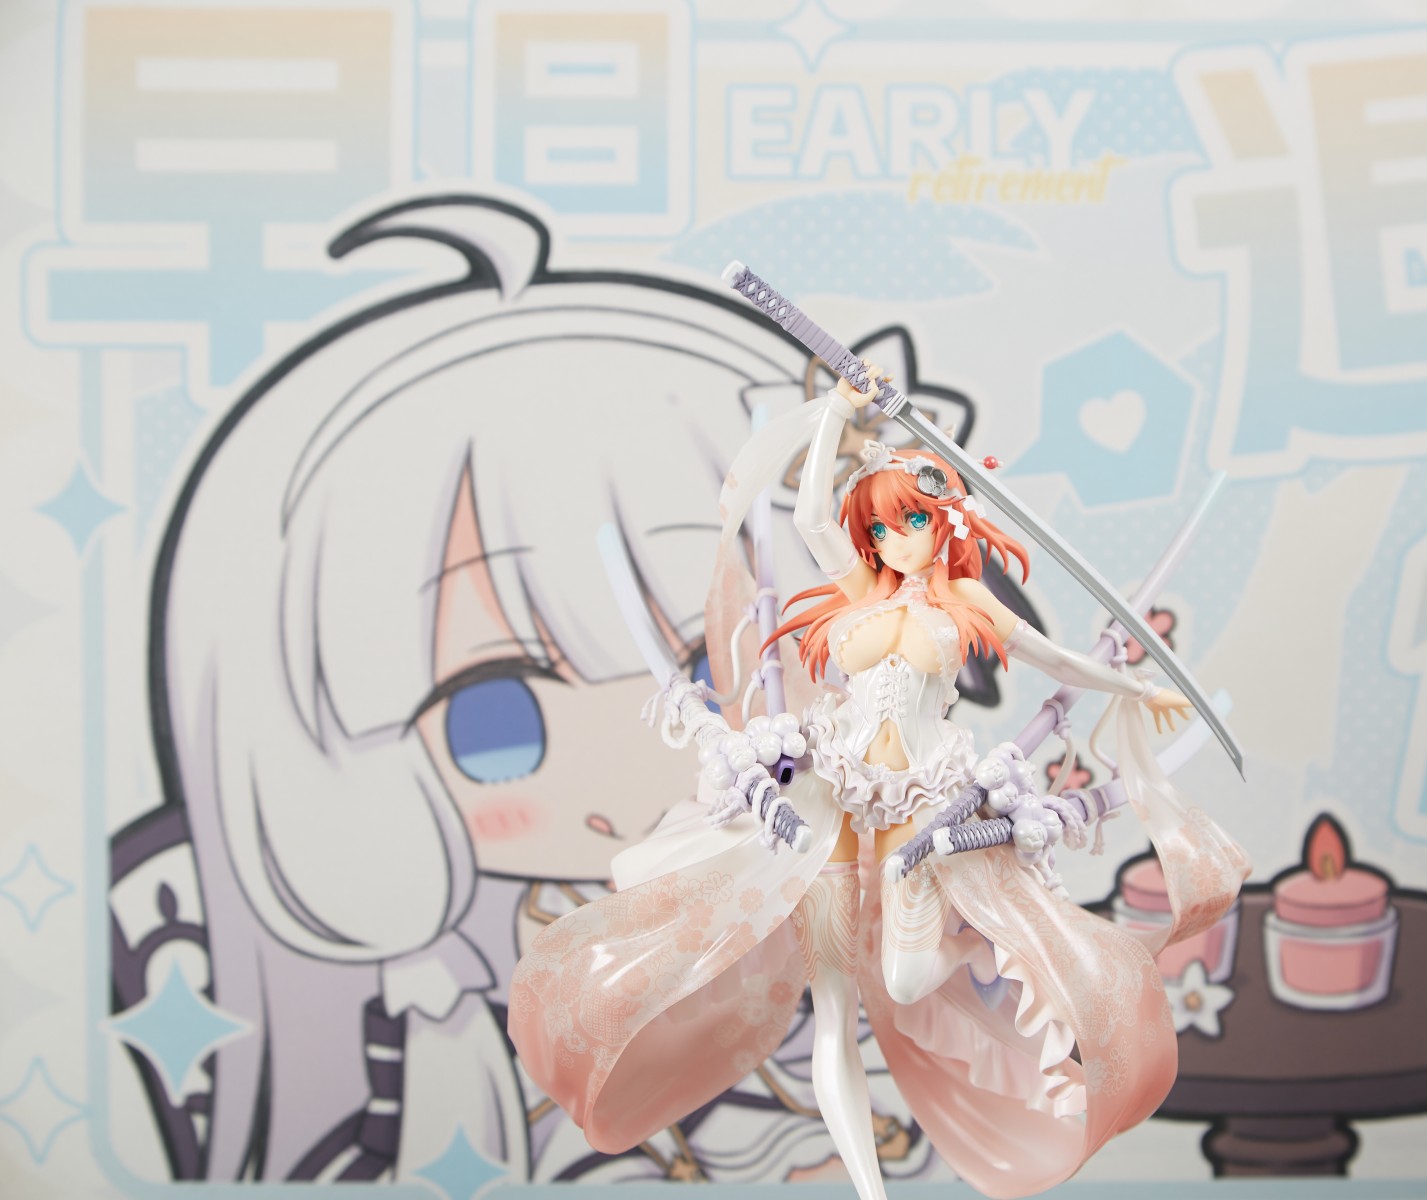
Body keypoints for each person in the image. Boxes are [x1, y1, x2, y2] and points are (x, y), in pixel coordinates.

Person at [136, 197, 946, 1185]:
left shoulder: (819, 842)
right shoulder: (464, 990)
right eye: (496, 723)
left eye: (711, 668)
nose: (630, 779)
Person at [510, 356, 1252, 1198]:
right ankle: (871, 1191)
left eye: (909, 522)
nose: (893, 541)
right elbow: (809, 512)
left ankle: (970, 939)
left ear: (944, 520)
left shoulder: (967, 603)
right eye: (880, 528)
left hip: (918, 807)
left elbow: (1060, 662)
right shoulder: (859, 586)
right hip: (832, 793)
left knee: (901, 980)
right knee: (833, 1002)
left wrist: (1137, 688)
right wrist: (836, 408)